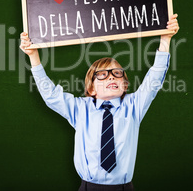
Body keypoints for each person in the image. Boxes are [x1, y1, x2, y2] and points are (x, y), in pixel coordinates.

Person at [20, 14, 179, 190]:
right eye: (102, 75)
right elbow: (50, 94)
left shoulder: (133, 105)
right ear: (91, 89)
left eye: (117, 73)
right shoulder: (80, 108)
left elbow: (154, 78)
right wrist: (33, 56)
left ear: (124, 85)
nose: (111, 76)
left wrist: (165, 38)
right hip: (89, 187)